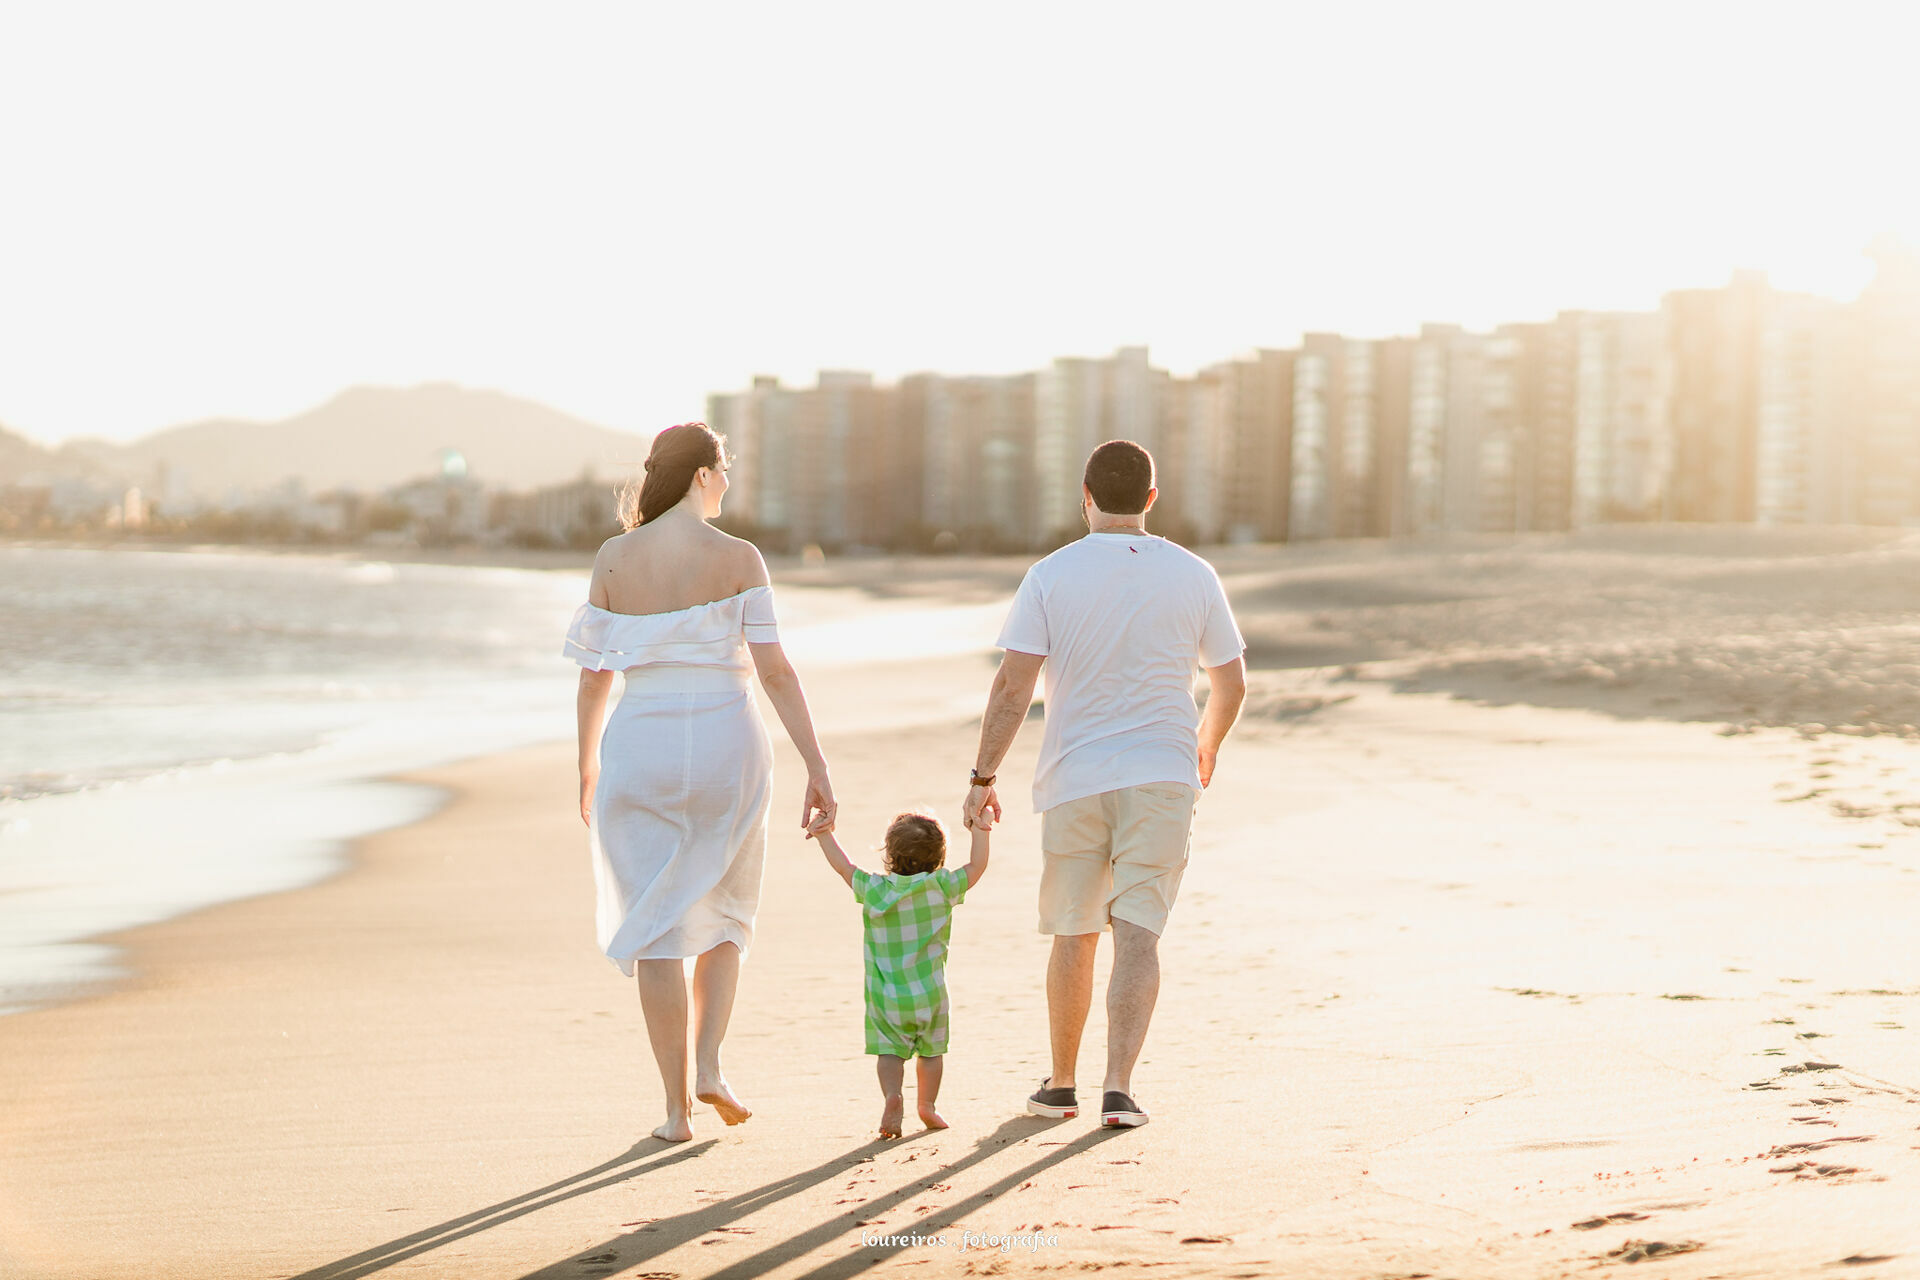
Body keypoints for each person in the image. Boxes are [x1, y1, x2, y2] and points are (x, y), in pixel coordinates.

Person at [564, 422, 836, 1143]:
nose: (728, 481)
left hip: (640, 741)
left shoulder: (614, 559)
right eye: (725, 468)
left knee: (656, 925)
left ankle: (676, 1111)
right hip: (727, 742)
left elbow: (595, 679)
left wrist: (587, 762)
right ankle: (710, 1062)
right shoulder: (740, 556)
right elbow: (775, 670)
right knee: (727, 910)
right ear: (703, 475)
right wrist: (817, 763)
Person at [963, 439, 1246, 1129]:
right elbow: (1230, 681)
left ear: (1084, 495)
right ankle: (1119, 1089)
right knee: (1139, 934)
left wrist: (983, 776)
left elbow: (1013, 685)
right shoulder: (1194, 573)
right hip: (1163, 773)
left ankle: (1062, 1084)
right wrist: (1205, 747)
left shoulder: (1050, 575)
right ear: (1151, 499)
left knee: (1073, 931)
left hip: (1075, 778)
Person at [808, 808, 991, 1139]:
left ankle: (894, 1095)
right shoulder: (942, 887)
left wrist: (824, 834)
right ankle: (928, 1106)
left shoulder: (875, 890)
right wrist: (981, 828)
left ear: (889, 855)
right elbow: (977, 866)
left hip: (886, 996)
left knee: (890, 1053)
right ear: (938, 857)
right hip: (931, 994)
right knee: (932, 1053)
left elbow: (843, 867)